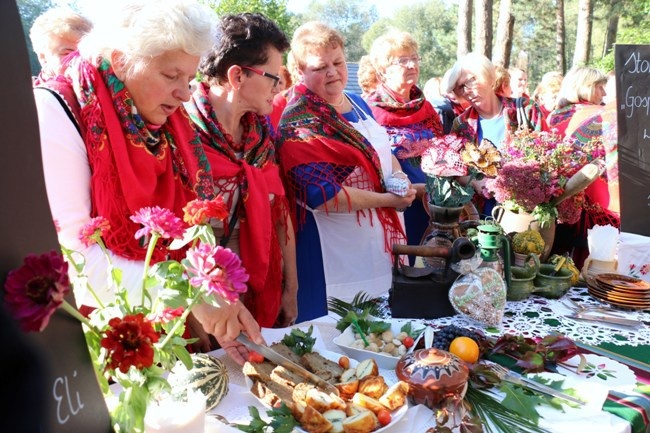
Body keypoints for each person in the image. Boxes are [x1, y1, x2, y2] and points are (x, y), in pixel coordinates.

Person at [34, 0, 262, 365]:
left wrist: (217, 307)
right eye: (171, 76)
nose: (185, 94)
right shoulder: (57, 108)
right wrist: (191, 295)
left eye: (189, 79)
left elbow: (181, 244)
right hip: (88, 341)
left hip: (156, 325)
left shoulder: (163, 123)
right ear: (121, 60)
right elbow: (73, 261)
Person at [276, 22, 415, 322]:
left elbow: (382, 152)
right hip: (331, 255)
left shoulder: (357, 102)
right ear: (299, 70)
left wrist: (399, 176)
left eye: (338, 62)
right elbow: (323, 197)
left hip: (377, 250)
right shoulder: (299, 122)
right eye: (320, 67)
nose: (333, 72)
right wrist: (389, 201)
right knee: (339, 343)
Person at [185, 13, 298, 329]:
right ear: (237, 76)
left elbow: (280, 212)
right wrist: (196, 314)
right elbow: (173, 239)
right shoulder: (182, 134)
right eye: (273, 77)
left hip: (258, 284)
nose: (278, 86)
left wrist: (292, 287)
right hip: (203, 295)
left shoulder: (260, 135)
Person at [365, 29, 444, 254]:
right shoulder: (368, 110)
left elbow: (443, 151)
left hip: (432, 207)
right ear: (383, 70)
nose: (412, 65)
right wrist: (410, 190)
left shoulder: (426, 108)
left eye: (414, 58)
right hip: (395, 207)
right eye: (402, 60)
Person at [446, 53, 542, 216]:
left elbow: (545, 156)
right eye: (461, 87)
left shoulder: (524, 110)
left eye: (471, 81)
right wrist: (477, 181)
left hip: (525, 212)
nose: (467, 91)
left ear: (489, 77)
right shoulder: (462, 123)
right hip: (482, 216)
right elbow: (454, 171)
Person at [546, 66, 614, 268]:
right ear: (585, 87)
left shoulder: (554, 116)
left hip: (557, 196)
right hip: (591, 199)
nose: (604, 93)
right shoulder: (602, 115)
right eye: (599, 87)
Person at [29, 6, 92, 84]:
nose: (79, 61)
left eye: (84, 55)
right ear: (43, 57)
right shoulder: (32, 95)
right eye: (68, 54)